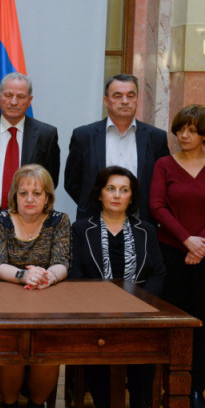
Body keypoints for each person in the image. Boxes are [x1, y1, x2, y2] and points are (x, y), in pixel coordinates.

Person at [71, 166, 165, 408]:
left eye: (124, 190)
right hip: (96, 315)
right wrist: (103, 302)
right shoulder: (81, 229)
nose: (116, 195)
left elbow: (158, 273)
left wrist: (139, 301)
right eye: (110, 188)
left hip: (139, 313)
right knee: (99, 368)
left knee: (143, 364)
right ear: (99, 194)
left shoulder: (147, 230)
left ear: (131, 197)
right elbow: (75, 274)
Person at [0, 164, 70, 408]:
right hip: (6, 302)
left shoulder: (59, 220)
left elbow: (62, 262)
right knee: (11, 350)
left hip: (46, 299)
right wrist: (24, 275)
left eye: (37, 193)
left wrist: (48, 277)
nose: (30, 199)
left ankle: (36, 403)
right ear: (15, 196)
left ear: (47, 197)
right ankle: (9, 404)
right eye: (23, 193)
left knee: (48, 351)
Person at [150, 104, 205, 408]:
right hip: (171, 255)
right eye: (180, 130)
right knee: (175, 324)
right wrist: (187, 240)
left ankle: (196, 389)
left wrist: (201, 245)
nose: (184, 135)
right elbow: (157, 206)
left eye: (192, 130)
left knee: (203, 324)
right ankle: (171, 388)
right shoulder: (164, 164)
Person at [0, 72, 60, 237]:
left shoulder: (46, 135)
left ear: (29, 100)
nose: (13, 102)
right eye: (8, 95)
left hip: (29, 221)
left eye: (20, 97)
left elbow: (50, 182)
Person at [65, 74, 169, 223]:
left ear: (137, 99)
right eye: (118, 96)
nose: (125, 101)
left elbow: (162, 184)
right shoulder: (84, 136)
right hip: (93, 223)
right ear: (106, 101)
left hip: (141, 224)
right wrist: (95, 204)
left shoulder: (156, 138)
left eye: (130, 96)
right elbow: (72, 183)